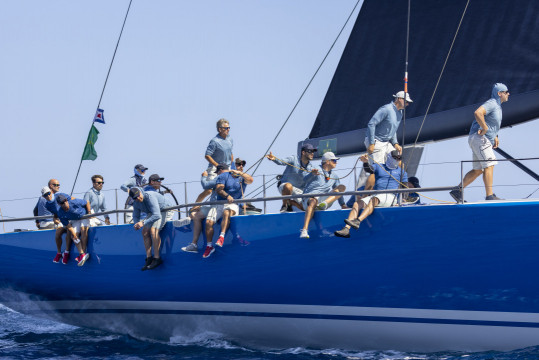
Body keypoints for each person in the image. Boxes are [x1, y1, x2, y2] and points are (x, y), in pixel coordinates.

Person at [450, 83, 510, 202]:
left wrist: (495, 136)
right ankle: (490, 196)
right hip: (480, 139)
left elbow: (491, 122)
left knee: (478, 170)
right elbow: (478, 113)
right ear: (499, 93)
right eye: (506, 91)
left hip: (479, 140)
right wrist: (485, 128)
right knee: (490, 164)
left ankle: (457, 190)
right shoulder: (492, 103)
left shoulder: (497, 106)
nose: (509, 93)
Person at [335, 151, 408, 238]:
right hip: (377, 195)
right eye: (395, 158)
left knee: (373, 200)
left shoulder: (402, 172)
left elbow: (405, 188)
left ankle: (358, 221)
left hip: (390, 196)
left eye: (399, 158)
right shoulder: (379, 166)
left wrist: (403, 200)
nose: (396, 160)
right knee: (357, 203)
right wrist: (365, 162)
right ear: (389, 157)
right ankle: (346, 229)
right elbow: (368, 169)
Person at [202, 158, 253, 258]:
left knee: (227, 212)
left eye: (242, 165)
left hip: (233, 204)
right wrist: (227, 196)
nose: (241, 166)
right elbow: (218, 189)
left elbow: (251, 180)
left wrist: (240, 173)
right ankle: (209, 246)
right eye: (238, 164)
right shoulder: (224, 175)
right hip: (220, 202)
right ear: (233, 166)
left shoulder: (242, 178)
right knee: (208, 222)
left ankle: (221, 236)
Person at [182, 164, 227, 254]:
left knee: (208, 222)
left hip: (218, 205)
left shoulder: (221, 177)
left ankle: (209, 245)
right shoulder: (230, 176)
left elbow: (205, 185)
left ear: (220, 170)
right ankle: (194, 244)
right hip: (213, 205)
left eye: (217, 172)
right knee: (196, 215)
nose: (216, 175)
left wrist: (204, 176)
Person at [300, 152, 346, 239]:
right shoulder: (315, 168)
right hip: (309, 198)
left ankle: (324, 204)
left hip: (323, 200)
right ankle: (304, 230)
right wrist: (311, 174)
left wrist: (343, 205)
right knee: (313, 201)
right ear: (327, 161)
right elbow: (304, 179)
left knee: (342, 187)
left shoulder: (334, 176)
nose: (336, 162)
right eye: (334, 161)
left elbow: (339, 191)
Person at [265, 143, 316, 212]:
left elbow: (307, 181)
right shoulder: (294, 159)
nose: (312, 153)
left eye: (313, 152)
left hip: (299, 190)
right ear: (303, 152)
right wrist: (274, 159)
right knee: (288, 186)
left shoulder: (311, 168)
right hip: (285, 186)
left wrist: (313, 174)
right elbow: (282, 162)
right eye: (310, 151)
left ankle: (291, 203)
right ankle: (284, 205)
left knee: (305, 208)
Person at [194, 118, 234, 204]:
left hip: (227, 168)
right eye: (226, 128)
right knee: (208, 190)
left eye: (229, 128)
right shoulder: (214, 141)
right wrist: (217, 165)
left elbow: (230, 152)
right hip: (214, 169)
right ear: (220, 129)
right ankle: (195, 206)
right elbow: (207, 155)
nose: (228, 130)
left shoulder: (230, 139)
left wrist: (232, 165)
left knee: (225, 188)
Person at [130, 187, 168, 271]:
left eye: (138, 195)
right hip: (153, 212)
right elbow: (135, 216)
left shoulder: (149, 197)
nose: (138, 198)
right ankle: (149, 258)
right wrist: (136, 223)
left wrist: (143, 223)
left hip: (165, 209)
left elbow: (157, 215)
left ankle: (157, 258)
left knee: (153, 230)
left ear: (140, 192)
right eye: (135, 198)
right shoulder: (136, 203)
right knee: (144, 232)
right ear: (133, 199)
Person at [55, 194, 91, 266]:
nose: (65, 203)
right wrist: (74, 234)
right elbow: (68, 226)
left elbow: (87, 202)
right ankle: (82, 254)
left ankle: (84, 252)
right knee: (73, 236)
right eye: (62, 202)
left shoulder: (74, 202)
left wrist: (89, 213)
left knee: (83, 229)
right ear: (59, 204)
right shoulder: (60, 213)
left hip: (85, 215)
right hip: (76, 219)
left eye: (65, 201)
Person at [43, 179, 73, 264]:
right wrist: (55, 217)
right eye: (45, 195)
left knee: (69, 231)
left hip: (70, 218)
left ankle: (66, 252)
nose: (48, 196)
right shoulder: (47, 205)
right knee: (57, 233)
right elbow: (56, 213)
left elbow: (72, 201)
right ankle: (59, 253)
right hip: (63, 220)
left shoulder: (60, 195)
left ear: (51, 192)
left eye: (48, 193)